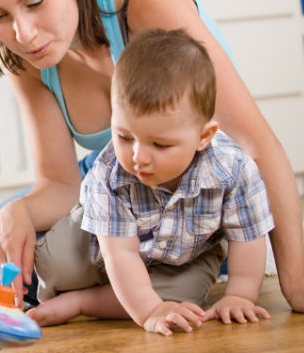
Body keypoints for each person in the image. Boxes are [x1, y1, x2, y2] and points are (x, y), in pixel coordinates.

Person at [0, 0, 304, 313]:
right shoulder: (25, 60)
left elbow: (254, 144)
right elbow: (61, 182)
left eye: (34, 2)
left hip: (198, 174)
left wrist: (295, 283)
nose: (23, 33)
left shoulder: (144, 1)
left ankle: (194, 251)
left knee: (209, 241)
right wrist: (18, 211)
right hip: (116, 174)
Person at [30, 28, 273, 335]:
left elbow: (248, 237)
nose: (138, 157)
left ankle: (83, 303)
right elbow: (121, 254)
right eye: (124, 136)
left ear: (203, 137)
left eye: (159, 145)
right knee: (55, 266)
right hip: (101, 241)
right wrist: (149, 311)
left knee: (182, 302)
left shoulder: (233, 168)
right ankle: (55, 281)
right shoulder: (109, 174)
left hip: (185, 256)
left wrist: (239, 295)